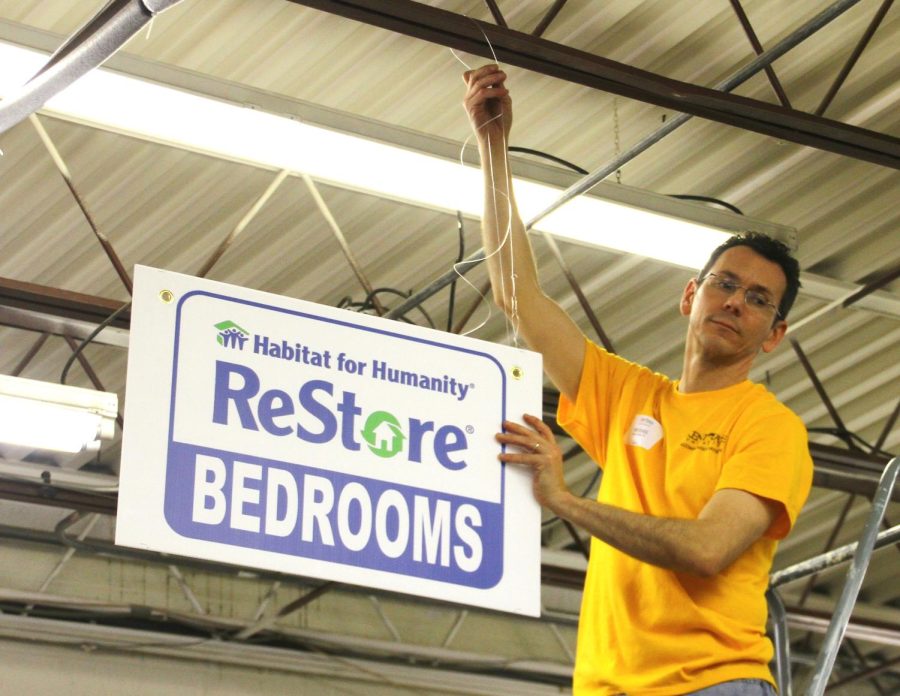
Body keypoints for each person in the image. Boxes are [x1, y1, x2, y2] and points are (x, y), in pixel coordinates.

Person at [463, 64, 813, 695]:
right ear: (690, 296)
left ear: (776, 333)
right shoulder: (629, 397)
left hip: (710, 684)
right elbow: (518, 297)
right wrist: (493, 146)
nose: (735, 302)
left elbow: (709, 549)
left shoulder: (770, 428)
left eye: (759, 300)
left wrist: (566, 503)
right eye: (724, 284)